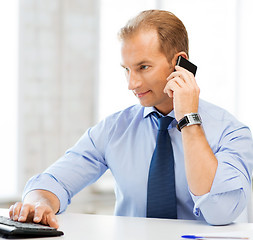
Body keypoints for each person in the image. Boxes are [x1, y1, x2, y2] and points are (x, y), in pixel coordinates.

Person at [9, 10, 253, 228]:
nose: (131, 84)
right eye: (126, 69)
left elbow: (220, 212)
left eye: (143, 67)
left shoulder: (231, 133)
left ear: (180, 63)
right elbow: (54, 181)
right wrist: (38, 203)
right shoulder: (115, 129)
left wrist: (188, 119)